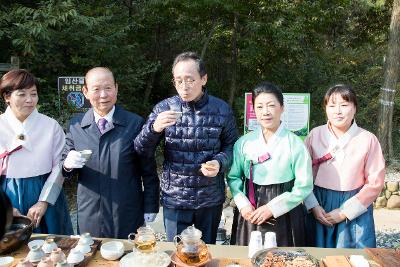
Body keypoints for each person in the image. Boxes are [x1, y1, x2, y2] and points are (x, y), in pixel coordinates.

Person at [134, 52, 238, 244]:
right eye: (178, 80)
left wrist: (220, 162)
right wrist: (154, 128)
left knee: (206, 251)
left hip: (209, 197)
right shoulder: (163, 108)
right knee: (177, 251)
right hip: (175, 197)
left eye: (190, 79)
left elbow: (232, 146)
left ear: (203, 79)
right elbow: (141, 149)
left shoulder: (222, 109)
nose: (184, 86)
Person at [62, 67, 159, 238]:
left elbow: (148, 170)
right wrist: (67, 165)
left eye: (108, 88)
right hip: (90, 213)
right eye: (96, 89)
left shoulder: (134, 124)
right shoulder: (75, 126)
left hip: (127, 211)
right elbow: (65, 169)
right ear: (85, 92)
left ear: (116, 89)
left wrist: (150, 205)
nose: (103, 95)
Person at [227, 81, 313, 246]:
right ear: (254, 110)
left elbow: (303, 186)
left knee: (283, 257)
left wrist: (272, 208)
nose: (265, 112)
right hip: (250, 210)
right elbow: (234, 177)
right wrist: (243, 205)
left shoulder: (295, 144)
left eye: (271, 105)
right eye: (259, 107)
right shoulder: (244, 142)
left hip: (284, 210)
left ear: (282, 107)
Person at [304, 84, 385, 248]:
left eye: (344, 105)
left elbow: (375, 183)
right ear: (325, 108)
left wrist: (344, 212)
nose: (338, 111)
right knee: (316, 254)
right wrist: (312, 205)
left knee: (352, 257)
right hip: (320, 204)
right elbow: (302, 175)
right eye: (332, 105)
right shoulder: (315, 134)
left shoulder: (368, 139)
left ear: (354, 108)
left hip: (354, 205)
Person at [0, 69, 73, 235]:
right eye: (22, 94)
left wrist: (44, 202)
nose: (29, 100)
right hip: (7, 194)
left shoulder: (50, 126)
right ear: (7, 97)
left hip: (46, 190)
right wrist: (6, 207)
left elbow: (60, 166)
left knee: (52, 249)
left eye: (33, 94)